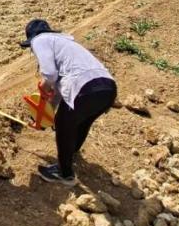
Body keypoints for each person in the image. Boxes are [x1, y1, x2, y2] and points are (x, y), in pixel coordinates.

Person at [20, 18, 117, 186]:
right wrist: (44, 115)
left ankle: (64, 173)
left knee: (63, 123)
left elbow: (49, 75)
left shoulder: (40, 40)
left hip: (83, 88)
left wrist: (43, 87)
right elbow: (58, 92)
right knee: (81, 122)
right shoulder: (64, 44)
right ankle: (70, 153)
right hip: (107, 87)